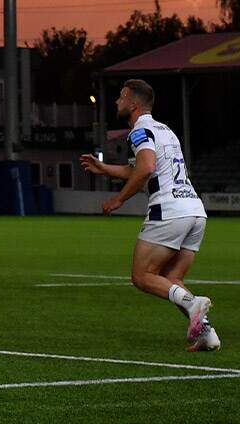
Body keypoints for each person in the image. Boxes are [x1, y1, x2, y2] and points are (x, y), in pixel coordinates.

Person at [80, 79, 219, 351]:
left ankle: (194, 304)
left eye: (121, 97)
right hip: (194, 210)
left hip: (168, 211)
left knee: (142, 276)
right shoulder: (164, 130)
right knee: (171, 279)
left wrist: (118, 199)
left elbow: (146, 168)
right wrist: (105, 168)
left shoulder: (139, 131)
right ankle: (206, 334)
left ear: (133, 103)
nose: (117, 102)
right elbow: (144, 168)